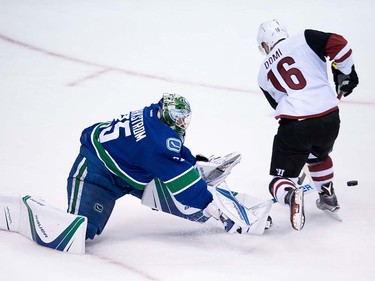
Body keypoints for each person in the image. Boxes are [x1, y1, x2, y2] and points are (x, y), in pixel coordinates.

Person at [66, 93, 242, 239]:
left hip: (135, 169)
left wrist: (192, 163)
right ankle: (223, 208)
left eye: (184, 118)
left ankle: (220, 203)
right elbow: (179, 179)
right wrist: (210, 203)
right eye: (177, 118)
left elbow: (172, 151)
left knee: (180, 196)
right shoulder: (154, 144)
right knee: (80, 231)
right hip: (98, 170)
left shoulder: (155, 116)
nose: (182, 123)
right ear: (167, 115)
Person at [256, 19, 359, 230]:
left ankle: (290, 194)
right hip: (329, 118)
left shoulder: (262, 72)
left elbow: (278, 103)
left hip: (296, 124)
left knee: (278, 180)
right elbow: (341, 45)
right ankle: (328, 197)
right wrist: (345, 72)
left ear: (266, 44)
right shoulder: (304, 38)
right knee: (318, 156)